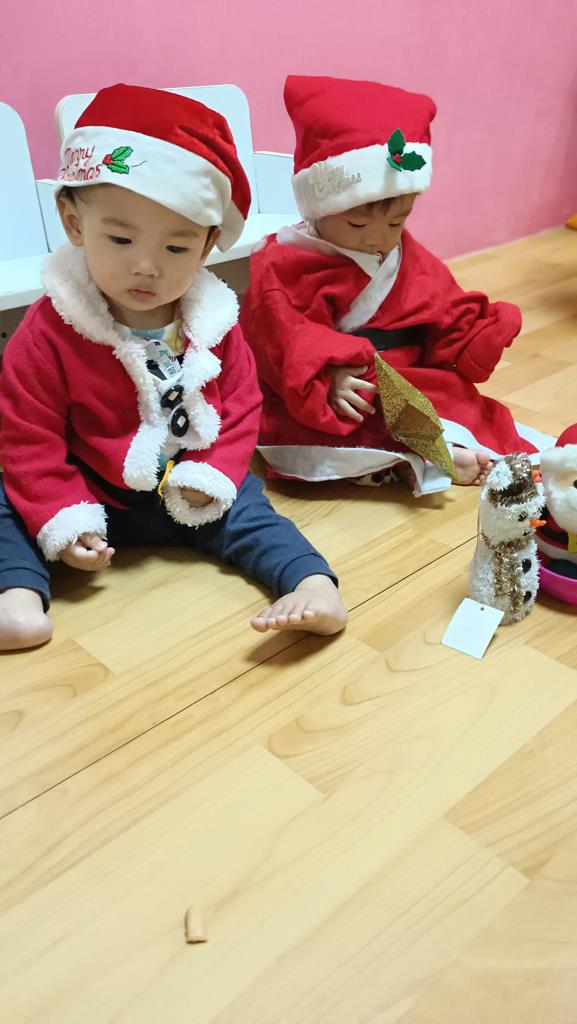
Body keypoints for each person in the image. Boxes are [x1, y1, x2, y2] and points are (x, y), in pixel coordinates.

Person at [0, 84, 346, 651]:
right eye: (120, 238)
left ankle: (312, 585)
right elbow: (28, 438)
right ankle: (15, 598)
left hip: (185, 488)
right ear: (73, 222)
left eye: (177, 249)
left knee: (252, 509)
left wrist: (210, 475)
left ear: (207, 247)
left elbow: (240, 408)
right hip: (91, 490)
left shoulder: (213, 322)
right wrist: (63, 514)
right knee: (8, 501)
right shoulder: (48, 332)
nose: (147, 266)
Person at [241, 75, 547, 496]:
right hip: (337, 387)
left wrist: (473, 334)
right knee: (332, 426)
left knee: (453, 401)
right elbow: (281, 335)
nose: (378, 238)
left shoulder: (402, 253)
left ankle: (427, 453)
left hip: (403, 376)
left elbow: (438, 298)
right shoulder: (283, 262)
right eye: (357, 223)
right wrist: (326, 375)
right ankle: (414, 459)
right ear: (317, 207)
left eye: (395, 222)